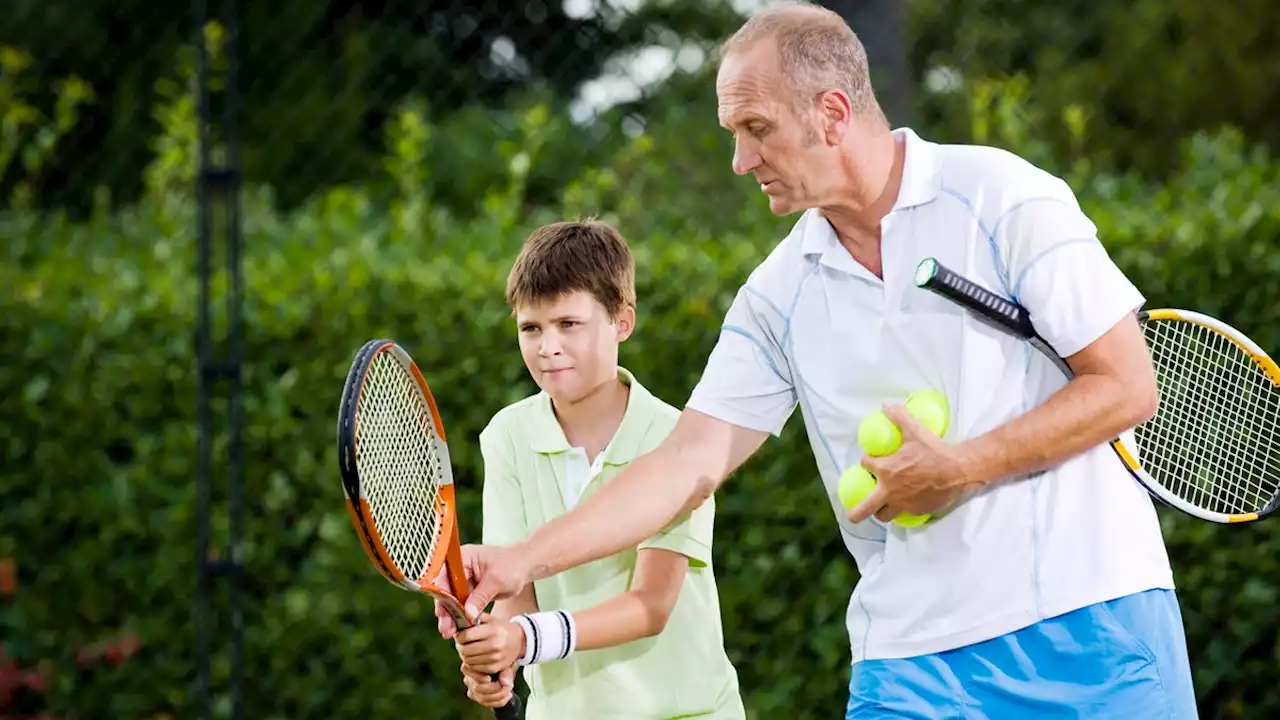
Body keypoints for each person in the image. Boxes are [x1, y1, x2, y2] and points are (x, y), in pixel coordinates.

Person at [442, 3, 1198, 717]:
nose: (740, 160)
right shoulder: (778, 295)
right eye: (732, 132)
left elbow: (1127, 385)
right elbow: (686, 463)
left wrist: (962, 466)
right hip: (910, 660)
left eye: (756, 128)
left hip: (1091, 619)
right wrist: (522, 560)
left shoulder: (1005, 198)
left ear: (832, 113)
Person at [440, 220, 746, 719]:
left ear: (622, 322)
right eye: (531, 328)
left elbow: (651, 606)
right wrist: (501, 650)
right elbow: (515, 595)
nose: (547, 346)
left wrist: (525, 639)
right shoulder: (506, 436)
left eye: (569, 324)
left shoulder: (678, 440)